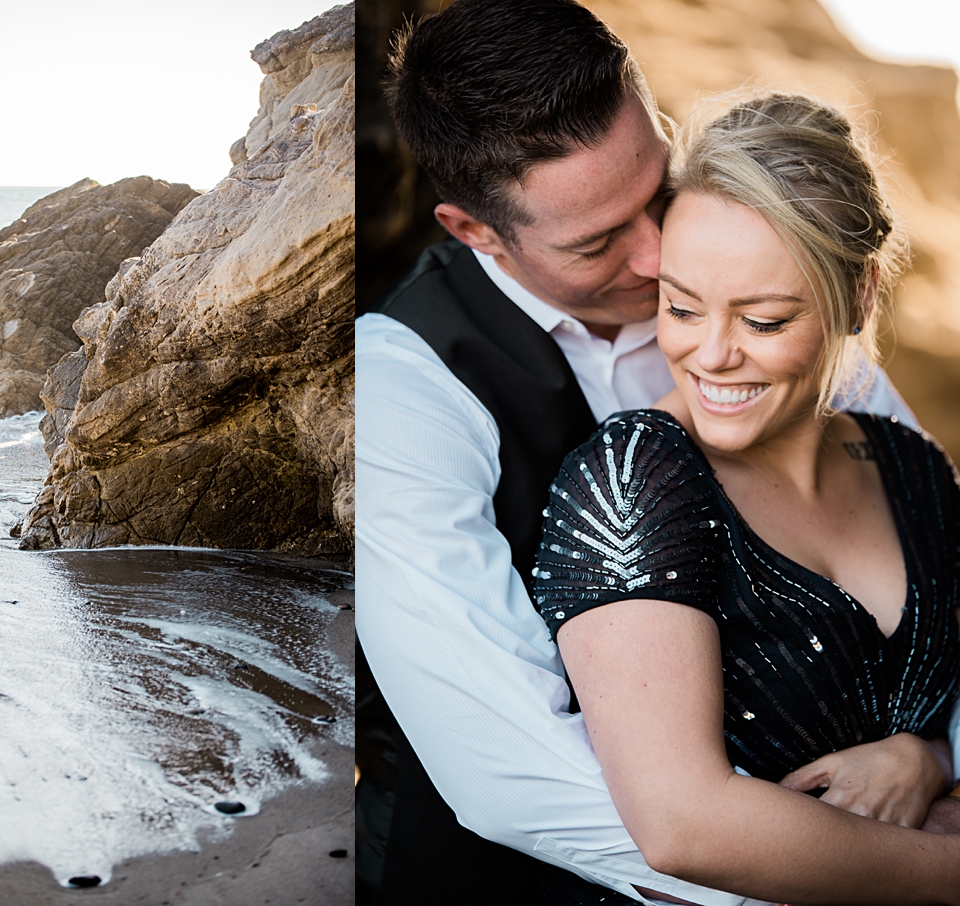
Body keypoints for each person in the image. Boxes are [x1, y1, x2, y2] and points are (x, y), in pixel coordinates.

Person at [354, 0, 960, 903]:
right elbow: (514, 773)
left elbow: (926, 554)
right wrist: (861, 870)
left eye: (658, 191)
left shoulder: (771, 296)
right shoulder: (403, 388)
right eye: (597, 241)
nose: (654, 257)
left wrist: (930, 752)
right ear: (472, 230)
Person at [532, 90, 960, 904]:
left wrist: (928, 758)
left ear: (860, 295)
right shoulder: (635, 478)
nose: (711, 355)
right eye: (682, 308)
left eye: (763, 320)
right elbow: (680, 827)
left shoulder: (913, 466)